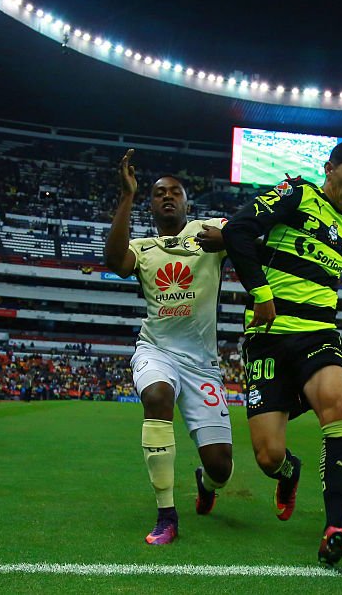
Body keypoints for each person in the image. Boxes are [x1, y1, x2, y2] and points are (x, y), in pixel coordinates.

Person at [212, 140, 342, 565]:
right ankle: (290, 472)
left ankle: (335, 527)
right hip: (267, 338)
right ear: (330, 168)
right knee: (268, 456)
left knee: (338, 405)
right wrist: (261, 292)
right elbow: (238, 230)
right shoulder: (298, 194)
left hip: (318, 334)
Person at [104, 149, 235, 545]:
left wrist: (229, 237)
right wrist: (125, 195)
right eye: (159, 192)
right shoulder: (142, 248)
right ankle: (166, 515)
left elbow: (251, 236)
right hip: (156, 351)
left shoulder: (210, 232)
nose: (167, 196)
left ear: (186, 202)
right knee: (157, 395)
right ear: (150, 204)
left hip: (202, 366)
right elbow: (113, 261)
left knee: (221, 469)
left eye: (174, 192)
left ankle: (205, 484)